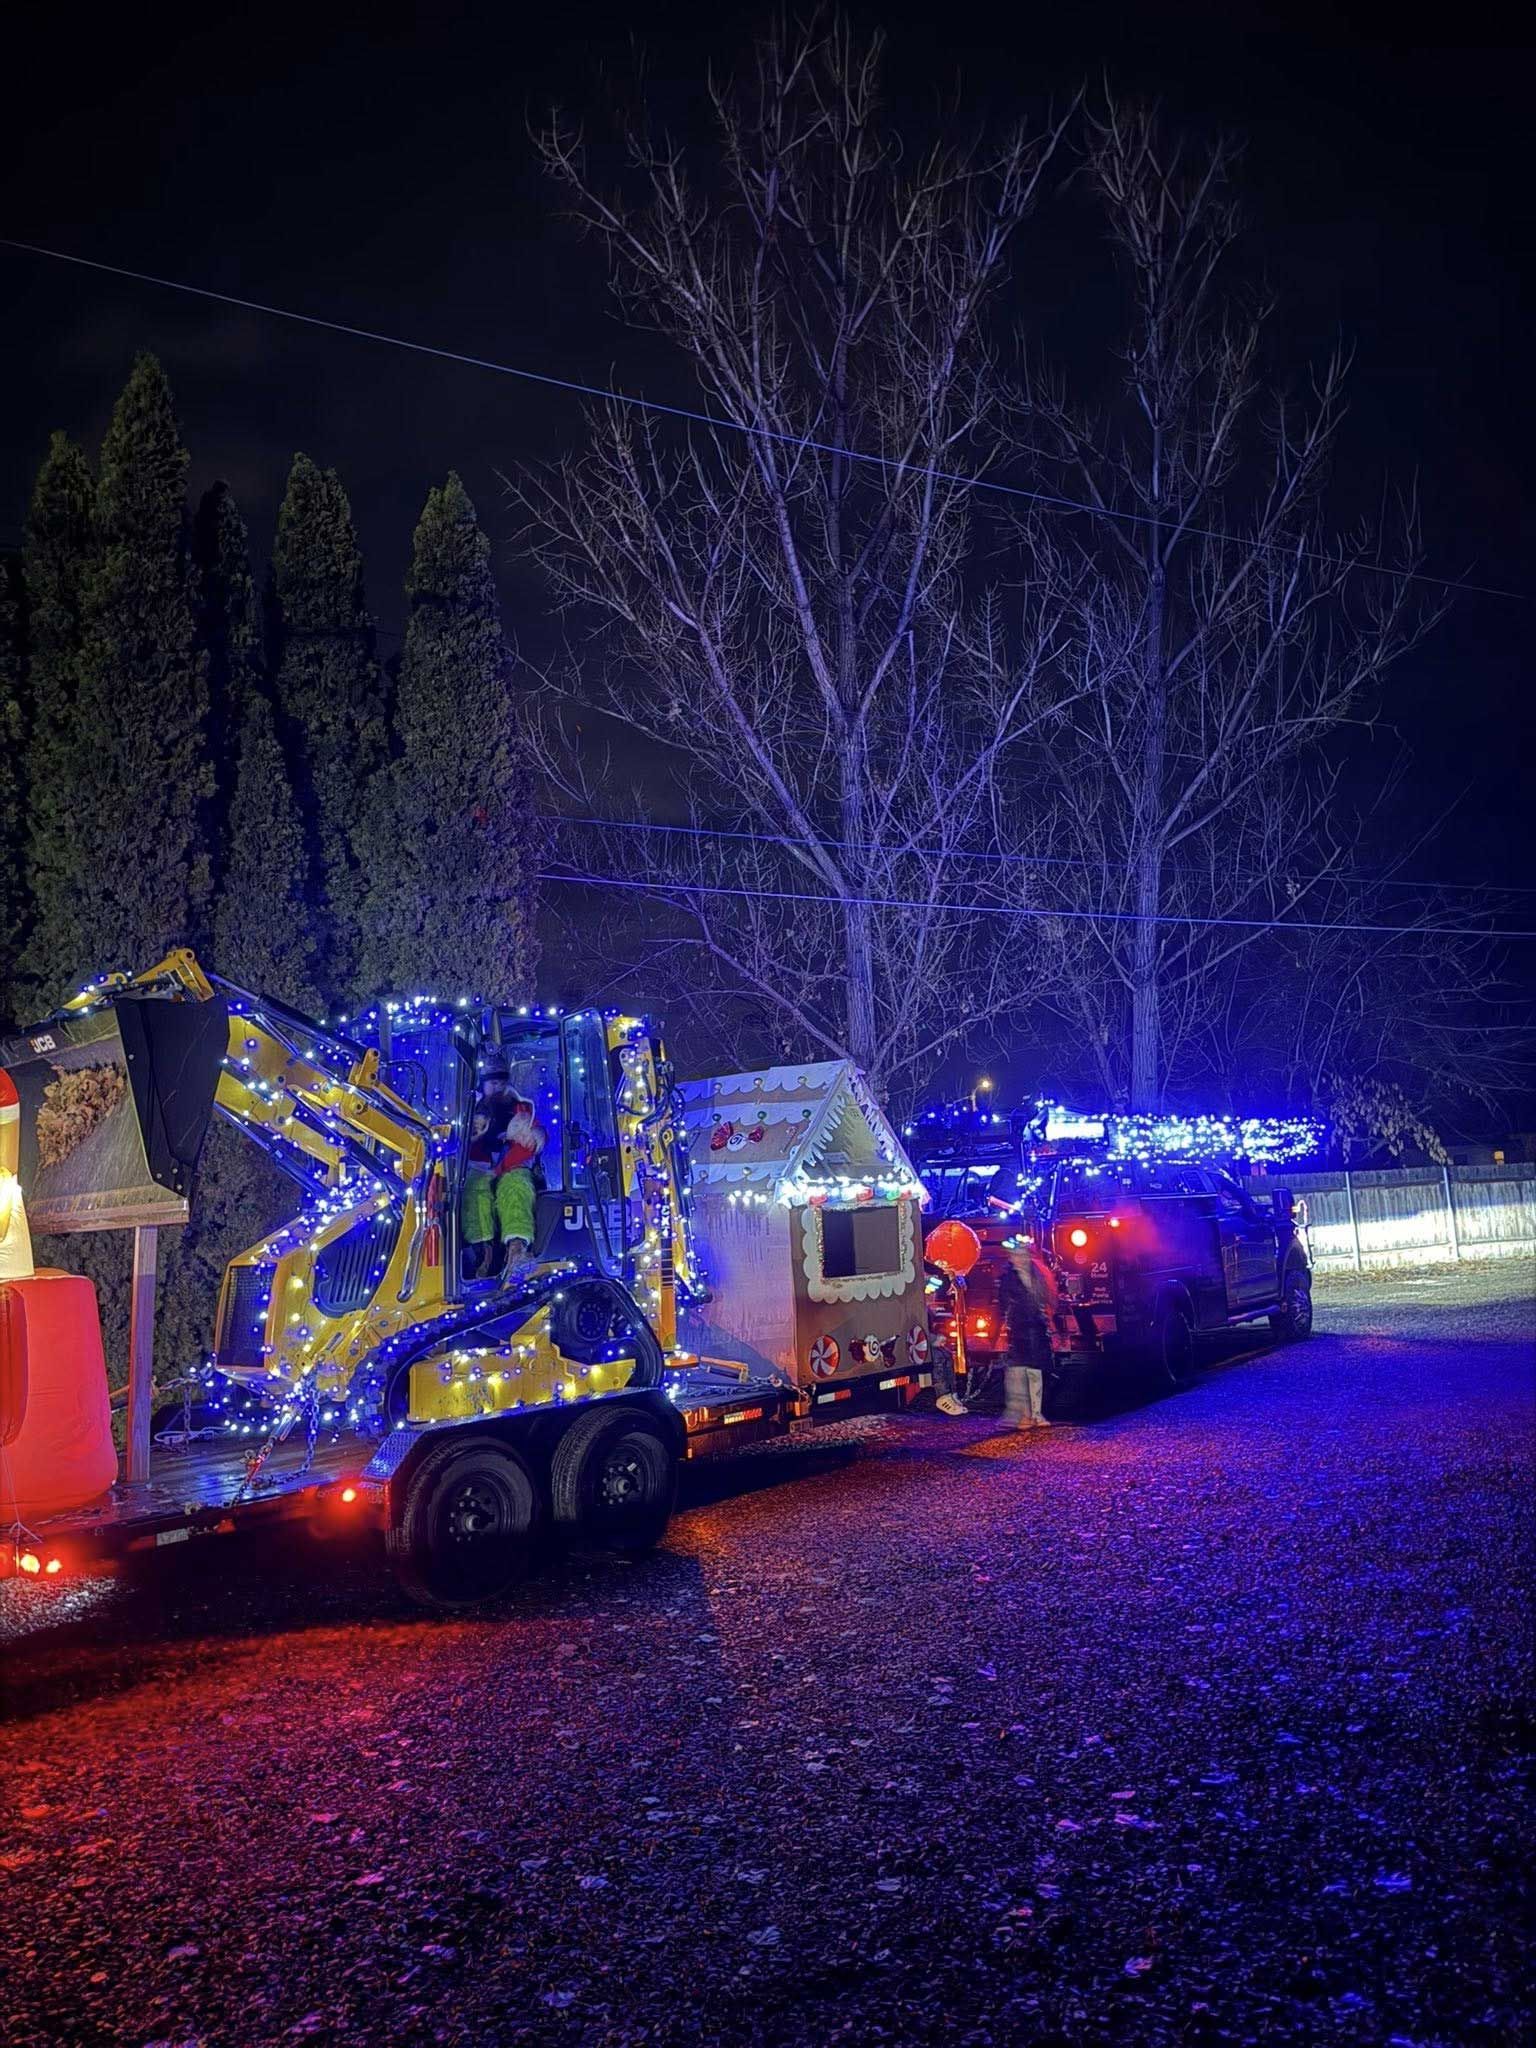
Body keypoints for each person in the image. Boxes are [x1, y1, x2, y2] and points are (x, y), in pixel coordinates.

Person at [997, 1231, 1054, 1429]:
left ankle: (1037, 1414)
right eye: (1017, 1255)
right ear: (1012, 1258)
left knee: (1035, 1373)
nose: (1020, 1259)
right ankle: (1024, 1415)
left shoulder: (1038, 1276)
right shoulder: (1008, 1279)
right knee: (1018, 1374)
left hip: (1037, 1330)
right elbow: (1002, 1306)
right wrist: (1001, 1332)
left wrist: (1049, 1324)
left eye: (1023, 1255)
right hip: (1019, 1331)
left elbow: (1045, 1302)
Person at [495, 1095, 546, 1281]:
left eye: (528, 1136)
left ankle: (518, 1250)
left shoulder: (519, 1171)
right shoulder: (508, 1147)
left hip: (515, 1179)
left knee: (515, 1202)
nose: (525, 1139)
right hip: (506, 1179)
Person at [459, 1105, 501, 1280]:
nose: (477, 1129)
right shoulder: (462, 1142)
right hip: (467, 1187)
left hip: (480, 1187)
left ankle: (483, 1264)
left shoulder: (493, 1142)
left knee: (481, 1223)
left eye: (481, 1125)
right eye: (474, 1125)